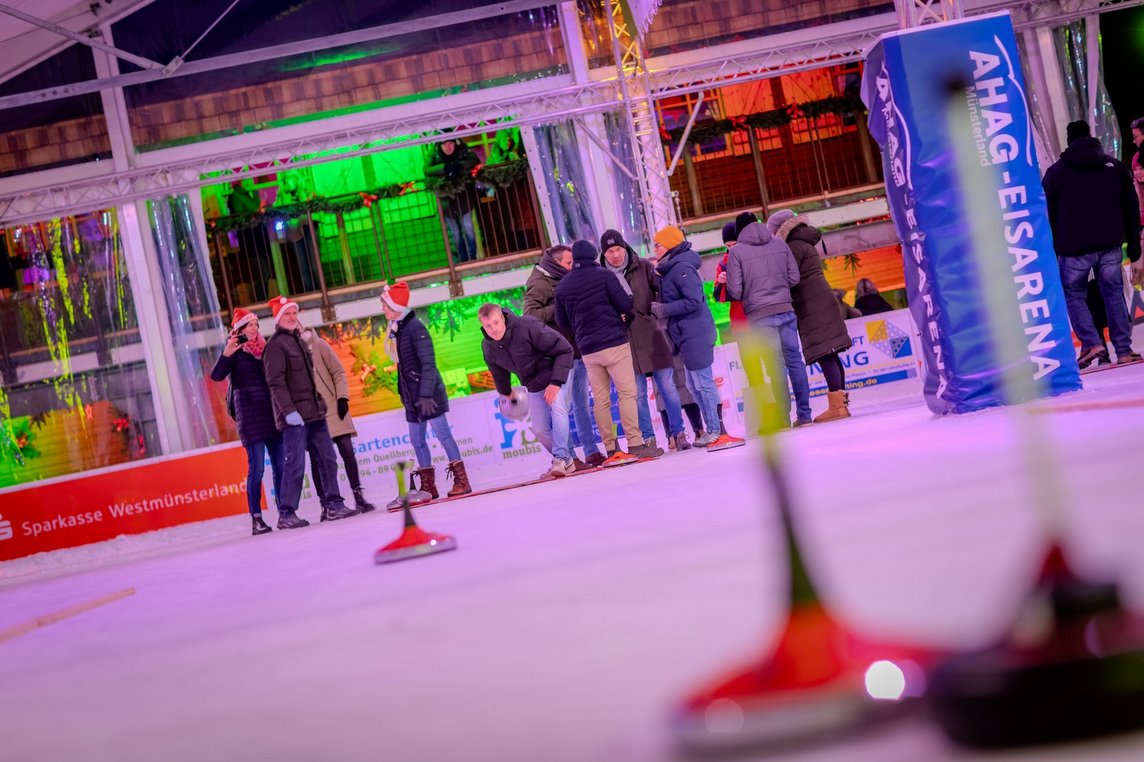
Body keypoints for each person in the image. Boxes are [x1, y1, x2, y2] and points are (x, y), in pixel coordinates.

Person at [1043, 119, 1142, 366]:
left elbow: (1047, 213)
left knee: (1074, 294)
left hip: (1073, 249)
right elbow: (1130, 206)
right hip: (1109, 243)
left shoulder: (1056, 173)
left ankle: (1092, 343)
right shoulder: (1114, 166)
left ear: (1069, 142)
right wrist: (1134, 244)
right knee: (1113, 294)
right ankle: (1123, 351)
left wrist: (1053, 249)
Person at [555, 240, 663, 464]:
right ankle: (635, 443)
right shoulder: (605, 275)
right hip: (614, 342)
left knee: (601, 400)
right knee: (626, 393)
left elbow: (561, 321)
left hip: (588, 350)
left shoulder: (563, 285)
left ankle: (611, 449)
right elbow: (624, 305)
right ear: (594, 255)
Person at [262, 296, 359, 528]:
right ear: (278, 318)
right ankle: (286, 513)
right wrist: (288, 411)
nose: (293, 318)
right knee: (295, 464)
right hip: (294, 418)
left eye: (295, 313)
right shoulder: (275, 345)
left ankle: (333, 504)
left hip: (315, 414)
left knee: (328, 458)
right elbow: (275, 382)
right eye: (287, 314)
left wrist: (320, 403)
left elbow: (309, 379)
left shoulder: (298, 341)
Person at [651, 226, 744, 450]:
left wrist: (663, 309)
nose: (655, 248)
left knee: (703, 382)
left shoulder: (681, 267)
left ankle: (715, 430)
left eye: (658, 244)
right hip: (686, 333)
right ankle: (711, 429)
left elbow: (694, 301)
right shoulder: (670, 268)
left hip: (696, 332)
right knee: (694, 385)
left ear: (671, 244)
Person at [382, 282, 472, 505]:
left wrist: (425, 395)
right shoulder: (398, 330)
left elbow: (428, 364)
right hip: (413, 398)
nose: (382, 309)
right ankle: (428, 486)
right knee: (416, 440)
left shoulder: (415, 328)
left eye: (385, 305)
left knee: (443, 435)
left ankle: (462, 480)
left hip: (428, 396)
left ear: (395, 306)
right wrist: (408, 396)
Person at [599, 229, 689, 452]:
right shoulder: (602, 277)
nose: (616, 255)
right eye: (610, 251)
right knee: (637, 394)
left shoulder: (644, 266)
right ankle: (648, 438)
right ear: (604, 254)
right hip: (625, 342)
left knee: (667, 387)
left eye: (618, 249)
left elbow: (661, 292)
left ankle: (678, 433)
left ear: (625, 248)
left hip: (653, 335)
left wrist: (654, 313)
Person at [769, 210, 855, 422]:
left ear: (780, 229)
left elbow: (791, 277)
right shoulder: (803, 242)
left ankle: (838, 407)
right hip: (820, 298)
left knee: (825, 351)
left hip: (812, 302)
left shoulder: (793, 247)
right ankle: (840, 405)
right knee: (831, 352)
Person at [725, 220, 813, 429]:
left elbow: (734, 291)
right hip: (786, 309)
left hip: (760, 316)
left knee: (775, 367)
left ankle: (782, 418)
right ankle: (805, 414)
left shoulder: (737, 252)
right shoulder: (780, 244)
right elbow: (794, 277)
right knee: (795, 361)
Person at [524, 244, 605, 467]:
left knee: (581, 404)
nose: (572, 267)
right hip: (559, 355)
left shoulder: (564, 279)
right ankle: (570, 455)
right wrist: (560, 305)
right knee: (563, 408)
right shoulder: (540, 282)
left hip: (577, 349)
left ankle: (591, 451)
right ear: (556, 262)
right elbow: (529, 315)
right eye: (568, 263)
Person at [478, 305, 577, 477]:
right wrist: (506, 392)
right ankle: (567, 461)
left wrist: (555, 382)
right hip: (534, 383)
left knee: (558, 407)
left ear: (502, 318)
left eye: (496, 322)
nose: (494, 329)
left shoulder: (527, 326)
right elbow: (499, 372)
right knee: (539, 429)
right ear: (482, 325)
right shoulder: (488, 347)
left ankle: (561, 458)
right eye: (488, 325)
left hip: (558, 370)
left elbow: (564, 349)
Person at [210, 309, 282, 536]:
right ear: (239, 330)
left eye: (256, 325)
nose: (254, 329)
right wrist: (228, 352)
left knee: (281, 465)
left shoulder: (264, 349)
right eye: (249, 325)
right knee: (257, 469)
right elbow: (216, 376)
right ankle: (257, 519)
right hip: (251, 419)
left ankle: (285, 511)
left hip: (271, 415)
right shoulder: (236, 353)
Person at [302, 326, 377, 516]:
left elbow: (338, 372)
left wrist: (342, 397)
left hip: (334, 408)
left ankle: (358, 496)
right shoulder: (292, 353)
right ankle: (325, 504)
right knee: (317, 461)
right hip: (313, 415)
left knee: (347, 452)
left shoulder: (319, 345)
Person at [426, 136, 480, 263]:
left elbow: (474, 160)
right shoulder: (434, 155)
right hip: (446, 202)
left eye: (450, 143)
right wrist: (445, 168)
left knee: (468, 228)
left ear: (455, 143)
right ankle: (462, 259)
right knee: (455, 233)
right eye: (444, 144)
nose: (448, 147)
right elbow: (427, 170)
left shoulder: (463, 150)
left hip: (463, 198)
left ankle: (472, 257)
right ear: (440, 145)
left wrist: (459, 166)